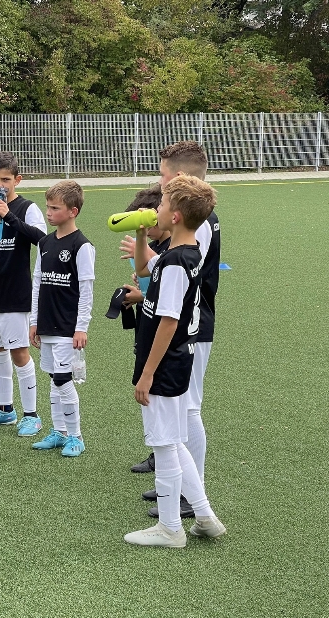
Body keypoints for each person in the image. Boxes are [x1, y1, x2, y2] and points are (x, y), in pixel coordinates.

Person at [124, 174, 226, 547]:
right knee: (175, 441)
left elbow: (168, 321)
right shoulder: (180, 253)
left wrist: (147, 374)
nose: (157, 209)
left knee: (165, 444)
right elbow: (142, 269)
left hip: (165, 364)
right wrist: (140, 235)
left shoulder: (176, 264)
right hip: (176, 361)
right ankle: (205, 516)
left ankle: (170, 528)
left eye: (163, 204)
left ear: (176, 216)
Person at [0, 151, 47, 437]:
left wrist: (10, 216)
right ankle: (5, 410)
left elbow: (43, 240)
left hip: (15, 291)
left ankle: (32, 415)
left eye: (5, 179)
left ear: (17, 179)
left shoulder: (27, 208)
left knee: (18, 352)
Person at [28, 181, 95, 457]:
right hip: (47, 323)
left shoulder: (82, 246)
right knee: (53, 377)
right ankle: (59, 432)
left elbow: (86, 290)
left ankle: (76, 437)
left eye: (55, 208)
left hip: (68, 326)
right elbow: (37, 283)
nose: (49, 213)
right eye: (48, 207)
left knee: (63, 379)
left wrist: (81, 327)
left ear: (72, 211)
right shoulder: (44, 243)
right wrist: (34, 321)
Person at [119, 185, 170, 474]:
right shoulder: (153, 246)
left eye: (147, 226)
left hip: (160, 333)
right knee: (149, 396)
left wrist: (142, 296)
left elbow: (170, 301)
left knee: (157, 394)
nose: (145, 232)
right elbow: (148, 281)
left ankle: (165, 458)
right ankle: (157, 454)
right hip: (146, 326)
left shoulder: (170, 251)